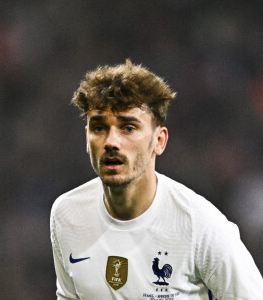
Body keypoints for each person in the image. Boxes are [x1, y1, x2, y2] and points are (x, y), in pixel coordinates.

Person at [50, 60, 263, 300]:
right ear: (86, 138)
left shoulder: (201, 225)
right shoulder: (66, 214)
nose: (111, 142)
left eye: (128, 128)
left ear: (159, 141)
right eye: (99, 128)